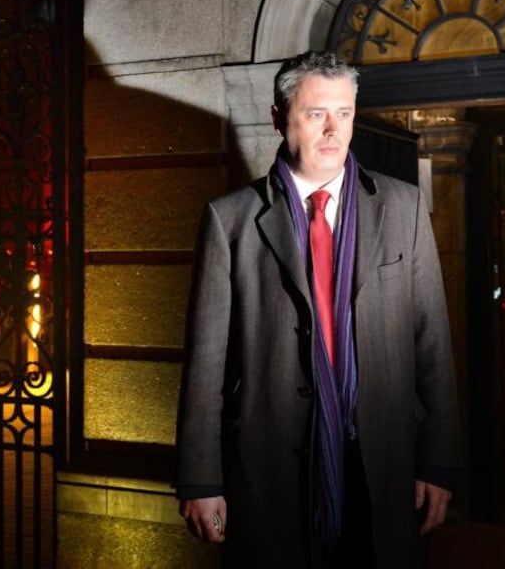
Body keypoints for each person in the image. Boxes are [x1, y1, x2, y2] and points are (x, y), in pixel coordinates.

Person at [174, 50, 462, 568]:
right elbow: (206, 364)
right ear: (279, 119)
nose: (333, 130)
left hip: (385, 462)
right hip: (271, 468)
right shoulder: (231, 220)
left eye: (344, 113)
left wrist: (439, 463)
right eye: (315, 114)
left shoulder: (403, 207)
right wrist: (201, 479)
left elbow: (432, 346)